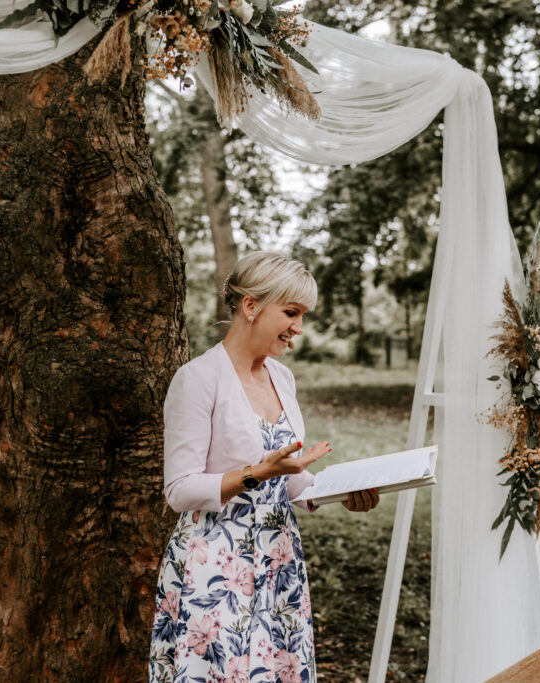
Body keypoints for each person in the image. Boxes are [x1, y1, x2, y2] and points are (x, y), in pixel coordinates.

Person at [148, 251, 379, 683]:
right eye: (291, 313)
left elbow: (286, 476)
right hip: (216, 565)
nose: (299, 328)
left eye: (303, 315)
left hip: (279, 558)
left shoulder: (282, 377)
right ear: (250, 305)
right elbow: (179, 490)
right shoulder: (197, 379)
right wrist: (257, 473)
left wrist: (341, 493)